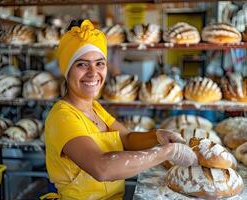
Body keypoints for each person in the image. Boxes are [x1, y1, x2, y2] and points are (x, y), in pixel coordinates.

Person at [42, 19, 198, 200]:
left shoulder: (94, 108)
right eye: (82, 64)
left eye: (99, 63)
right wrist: (167, 152)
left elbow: (127, 139)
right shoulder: (62, 117)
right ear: (67, 70)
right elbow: (102, 168)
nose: (93, 73)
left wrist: (157, 135)